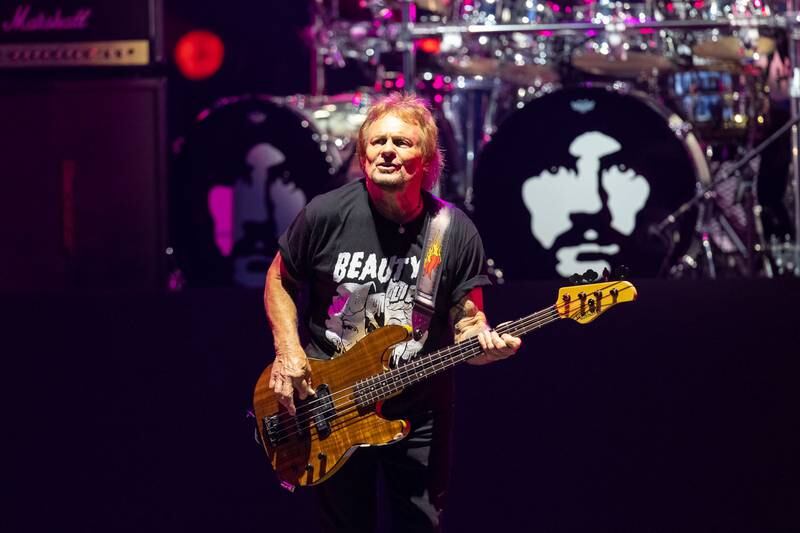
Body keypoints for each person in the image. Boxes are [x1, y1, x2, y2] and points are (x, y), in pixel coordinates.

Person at [263, 92, 521, 532]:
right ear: (363, 156)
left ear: (427, 161)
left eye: (402, 143)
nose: (387, 150)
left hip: (417, 411)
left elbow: (468, 323)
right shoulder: (326, 214)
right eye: (377, 142)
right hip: (332, 403)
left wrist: (483, 344)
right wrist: (288, 350)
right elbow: (279, 278)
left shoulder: (452, 231)